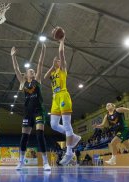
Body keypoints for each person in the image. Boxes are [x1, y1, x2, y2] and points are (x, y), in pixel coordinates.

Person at [44, 27, 81, 166]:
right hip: (55, 99)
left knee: (66, 124)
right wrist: (52, 66)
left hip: (64, 96)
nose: (57, 61)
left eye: (58, 61)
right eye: (56, 61)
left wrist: (62, 40)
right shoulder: (53, 73)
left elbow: (61, 53)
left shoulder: (63, 69)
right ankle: (74, 136)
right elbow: (45, 76)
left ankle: (69, 152)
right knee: (53, 125)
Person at [11, 43, 51, 171]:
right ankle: (21, 162)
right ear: (26, 74)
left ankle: (45, 162)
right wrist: (13, 56)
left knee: (40, 134)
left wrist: (43, 50)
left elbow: (40, 63)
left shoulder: (37, 80)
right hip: (27, 112)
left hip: (38, 110)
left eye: (33, 71)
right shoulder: (23, 82)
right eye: (30, 71)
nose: (32, 71)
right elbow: (16, 69)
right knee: (24, 137)